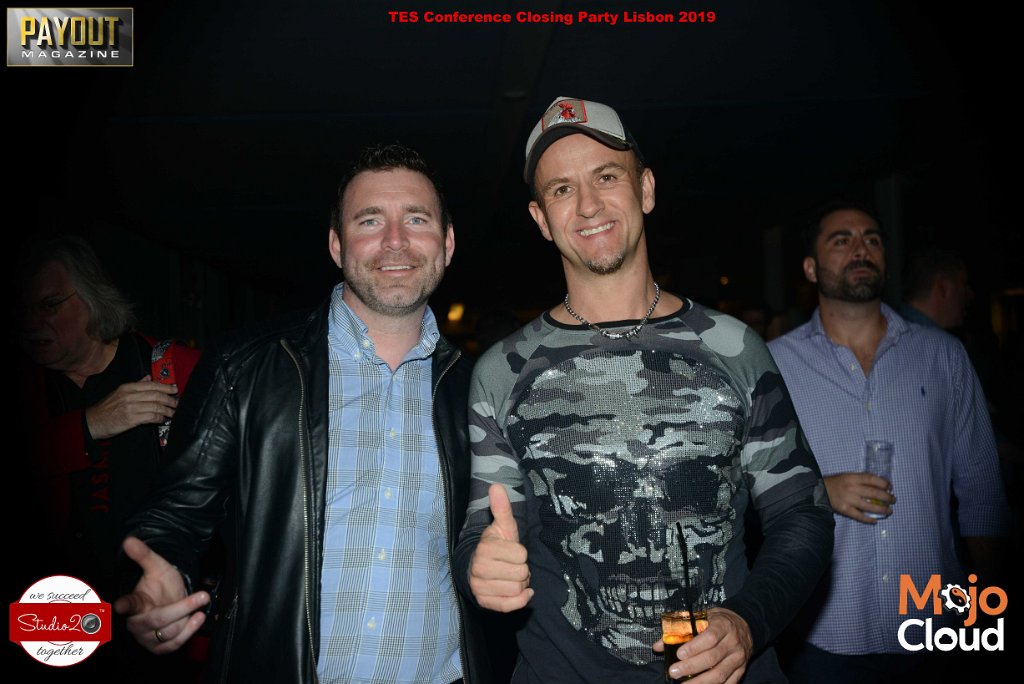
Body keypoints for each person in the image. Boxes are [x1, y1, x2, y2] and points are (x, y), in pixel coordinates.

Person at [453, 96, 834, 683]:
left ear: (646, 189)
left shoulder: (735, 348)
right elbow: (483, 530)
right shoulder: (503, 370)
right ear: (540, 219)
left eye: (607, 177)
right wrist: (478, 566)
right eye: (561, 189)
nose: (588, 205)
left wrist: (748, 621)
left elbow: (802, 513)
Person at [114, 143, 493, 683]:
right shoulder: (244, 365)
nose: (395, 240)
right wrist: (162, 574)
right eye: (369, 220)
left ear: (447, 243)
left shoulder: (482, 389)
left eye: (416, 219)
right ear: (337, 245)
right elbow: (176, 515)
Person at [767, 202, 1010, 682]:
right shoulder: (775, 363)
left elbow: (982, 491)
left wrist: (989, 613)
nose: (861, 249)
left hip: (934, 625)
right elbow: (741, 486)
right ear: (811, 268)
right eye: (842, 240)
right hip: (821, 632)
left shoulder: (943, 356)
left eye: (873, 240)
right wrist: (818, 489)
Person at [15, 234, 202, 681]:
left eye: (49, 305)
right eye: (23, 311)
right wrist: (88, 425)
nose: (33, 324)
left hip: (164, 618)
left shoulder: (174, 366)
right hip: (55, 615)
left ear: (92, 296)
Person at [899, 245, 972, 330]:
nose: (970, 294)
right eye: (963, 284)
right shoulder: (938, 339)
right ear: (943, 287)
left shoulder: (891, 329)